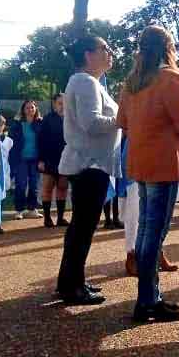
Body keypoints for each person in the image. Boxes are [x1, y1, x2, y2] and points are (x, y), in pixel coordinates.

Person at [117, 25, 179, 322]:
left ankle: (149, 297)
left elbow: (122, 123)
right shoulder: (169, 76)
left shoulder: (131, 81)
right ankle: (147, 301)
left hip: (140, 161)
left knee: (146, 230)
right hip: (164, 162)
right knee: (155, 233)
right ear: (168, 47)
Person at [56, 36, 121, 306]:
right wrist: (123, 119)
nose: (110, 52)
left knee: (81, 228)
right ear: (87, 54)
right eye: (104, 49)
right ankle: (72, 287)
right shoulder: (84, 82)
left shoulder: (87, 82)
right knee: (83, 228)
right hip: (89, 164)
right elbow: (91, 123)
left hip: (91, 164)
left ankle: (71, 281)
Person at [38, 93, 70, 228]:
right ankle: (47, 218)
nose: (63, 106)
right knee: (47, 188)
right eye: (60, 103)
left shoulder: (72, 119)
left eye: (65, 103)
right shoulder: (47, 119)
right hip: (49, 159)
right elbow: (40, 141)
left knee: (62, 188)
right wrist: (41, 160)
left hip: (67, 159)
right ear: (54, 104)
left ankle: (61, 218)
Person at [8, 100, 43, 220]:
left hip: (35, 159)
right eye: (27, 108)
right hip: (21, 160)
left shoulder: (40, 123)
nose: (30, 110)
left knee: (34, 185)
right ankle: (19, 210)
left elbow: (44, 142)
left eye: (32, 107)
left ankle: (32, 209)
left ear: (36, 109)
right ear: (23, 110)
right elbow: (11, 142)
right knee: (21, 185)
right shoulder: (17, 124)